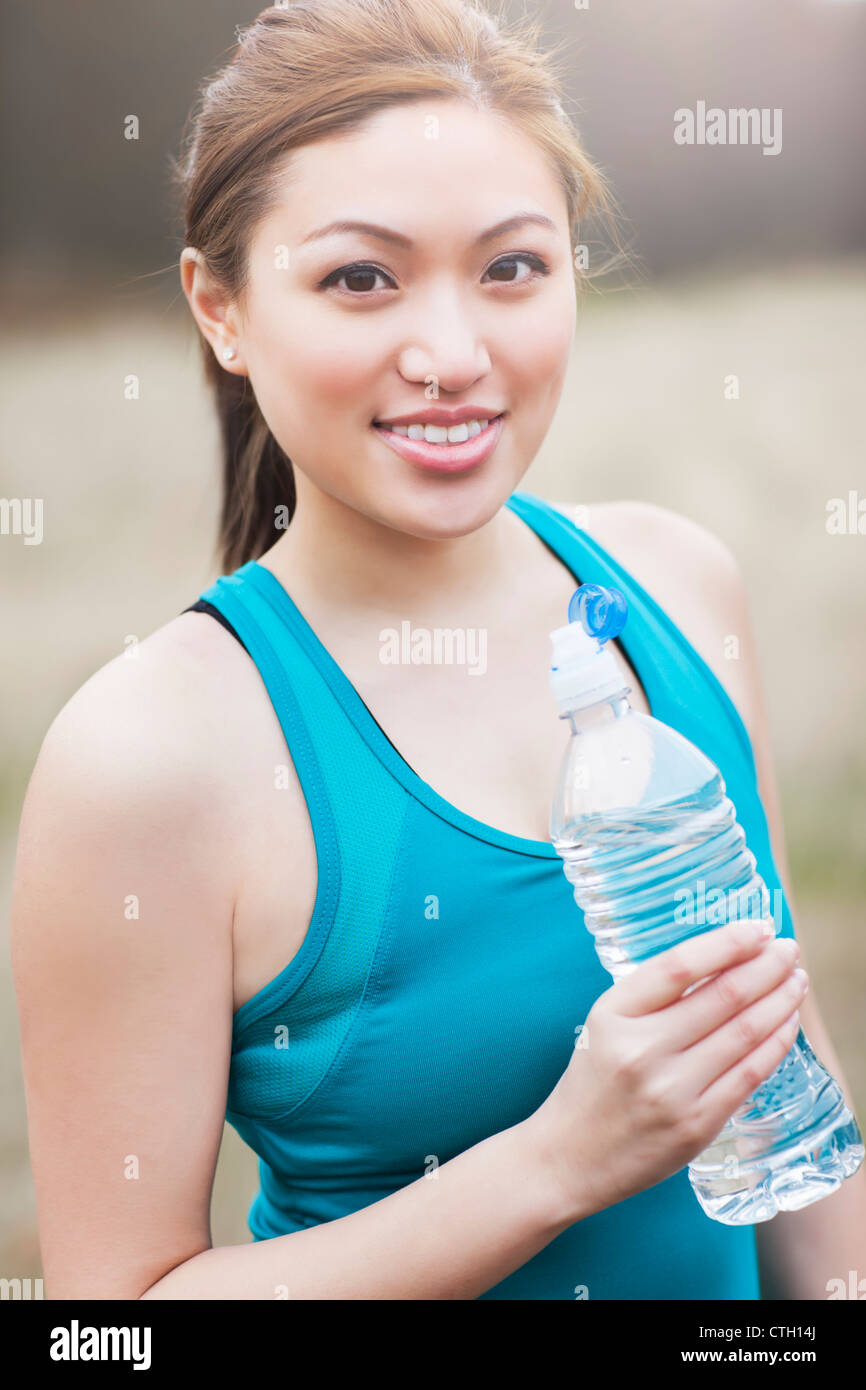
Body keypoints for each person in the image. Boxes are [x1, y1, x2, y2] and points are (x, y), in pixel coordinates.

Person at [11, 0, 865, 1301]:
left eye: (511, 267)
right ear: (221, 308)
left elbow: (781, 1089)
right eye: (361, 276)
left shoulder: (679, 587)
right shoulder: (150, 758)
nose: (454, 355)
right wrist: (553, 1165)